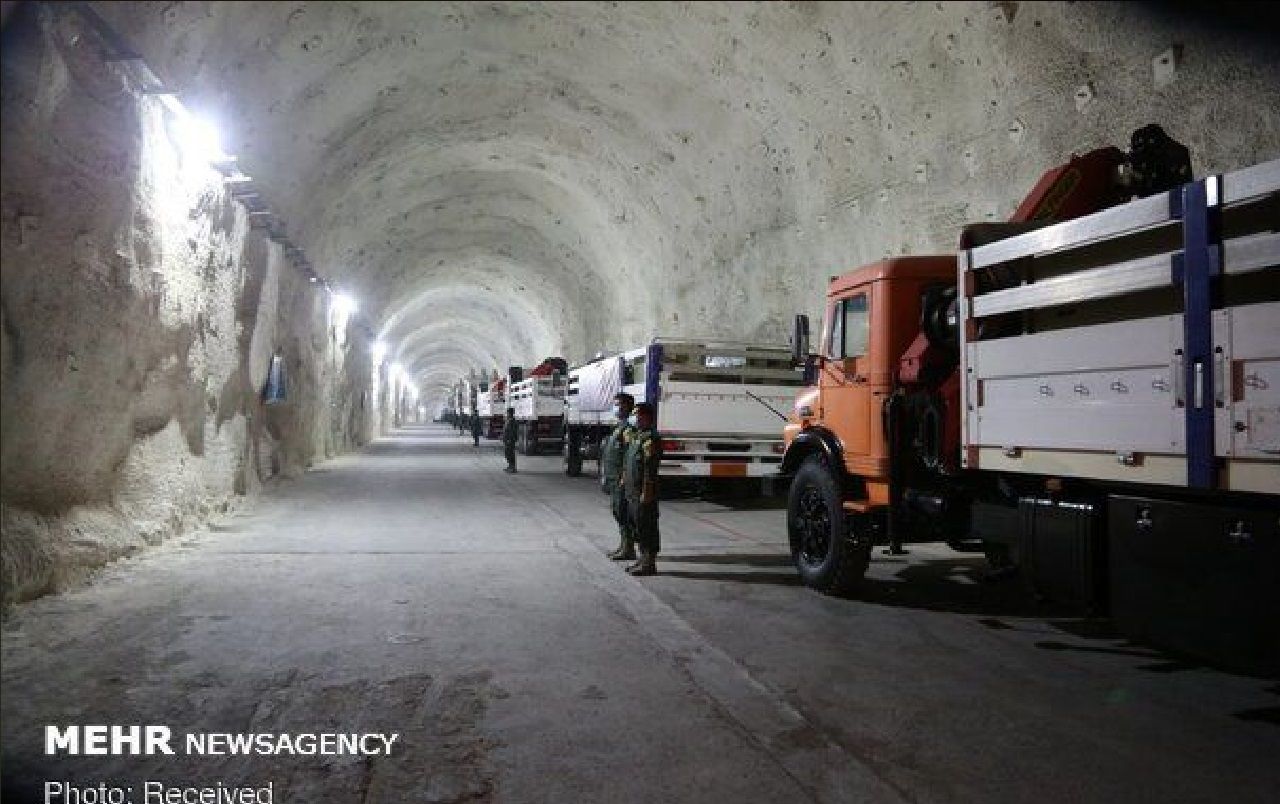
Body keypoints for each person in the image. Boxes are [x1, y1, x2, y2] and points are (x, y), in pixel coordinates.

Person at [621, 402, 661, 576]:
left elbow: (649, 467)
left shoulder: (650, 438)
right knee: (637, 525)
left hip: (643, 491)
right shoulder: (638, 436)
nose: (635, 418)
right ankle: (642, 559)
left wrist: (647, 490)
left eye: (638, 415)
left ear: (647, 417)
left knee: (647, 526)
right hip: (633, 491)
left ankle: (649, 563)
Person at [601, 392, 636, 561]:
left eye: (619, 404)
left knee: (623, 513)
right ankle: (624, 545)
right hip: (613, 478)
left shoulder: (628, 429)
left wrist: (624, 478)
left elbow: (629, 457)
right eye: (615, 404)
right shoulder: (619, 427)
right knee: (617, 512)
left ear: (628, 407)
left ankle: (628, 548)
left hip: (621, 480)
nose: (617, 407)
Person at [502, 407, 518, 473]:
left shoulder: (513, 421)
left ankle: (512, 467)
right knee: (507, 453)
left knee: (510, 453)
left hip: (510, 440)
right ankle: (510, 466)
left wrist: (509, 439)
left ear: (511, 413)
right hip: (507, 440)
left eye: (508, 412)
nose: (507, 414)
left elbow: (512, 432)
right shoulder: (508, 420)